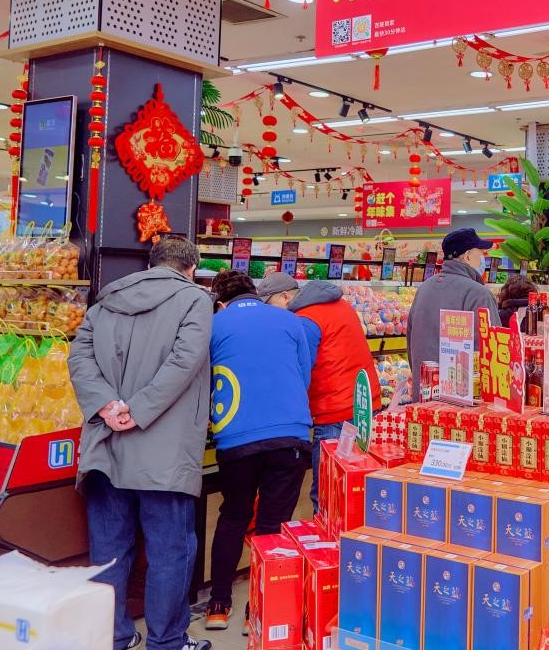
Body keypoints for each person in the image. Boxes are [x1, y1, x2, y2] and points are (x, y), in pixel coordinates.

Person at [67, 238, 214, 650]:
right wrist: (139, 409)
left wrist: (107, 406)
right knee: (171, 552)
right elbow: (185, 361)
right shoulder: (195, 300)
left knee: (108, 551)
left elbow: (78, 358)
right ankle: (167, 641)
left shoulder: (105, 301)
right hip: (164, 453)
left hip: (105, 445)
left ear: (150, 265)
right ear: (191, 269)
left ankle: (114, 636)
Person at [205, 270, 312, 632]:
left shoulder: (214, 324)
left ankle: (218, 605)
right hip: (289, 434)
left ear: (222, 302)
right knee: (272, 525)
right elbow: (303, 374)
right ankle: (260, 610)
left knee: (233, 516)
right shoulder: (290, 320)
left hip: (236, 436)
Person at [284, 276, 381, 514]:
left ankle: (328, 535)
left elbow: (299, 368)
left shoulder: (306, 319)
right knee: (359, 484)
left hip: (334, 412)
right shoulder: (342, 305)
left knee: (328, 491)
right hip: (365, 403)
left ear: (286, 297)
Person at [406, 228, 500, 401]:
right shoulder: (478, 294)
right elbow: (492, 351)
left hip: (424, 397)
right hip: (463, 403)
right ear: (468, 256)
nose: (483, 259)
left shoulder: (424, 289)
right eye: (481, 253)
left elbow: (411, 343)